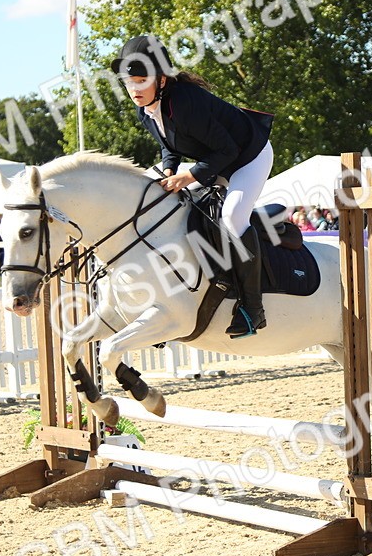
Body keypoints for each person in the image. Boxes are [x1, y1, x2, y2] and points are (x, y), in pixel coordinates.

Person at [111, 34, 274, 337]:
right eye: (129, 82)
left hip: (249, 156)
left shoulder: (186, 102)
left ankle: (253, 309)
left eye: (141, 81)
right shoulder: (145, 109)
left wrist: (188, 177)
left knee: (232, 216)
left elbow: (228, 150)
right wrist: (169, 170)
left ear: (161, 80)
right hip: (217, 160)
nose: (134, 89)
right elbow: (169, 147)